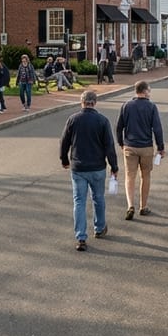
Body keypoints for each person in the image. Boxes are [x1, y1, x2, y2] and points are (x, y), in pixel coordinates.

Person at [60, 90, 118, 252]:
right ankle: (99, 227)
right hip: (97, 167)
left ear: (82, 102)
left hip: (78, 167)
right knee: (98, 198)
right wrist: (114, 166)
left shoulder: (73, 119)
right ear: (95, 102)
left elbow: (64, 142)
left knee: (79, 201)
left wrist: (64, 159)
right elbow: (109, 146)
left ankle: (80, 236)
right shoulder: (102, 121)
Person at [115, 80, 164, 220]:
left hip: (130, 145)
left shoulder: (126, 106)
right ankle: (143, 206)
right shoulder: (151, 107)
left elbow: (119, 127)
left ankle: (130, 205)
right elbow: (157, 129)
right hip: (146, 146)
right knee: (145, 176)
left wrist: (121, 142)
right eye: (149, 90)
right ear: (145, 91)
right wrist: (160, 147)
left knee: (130, 176)